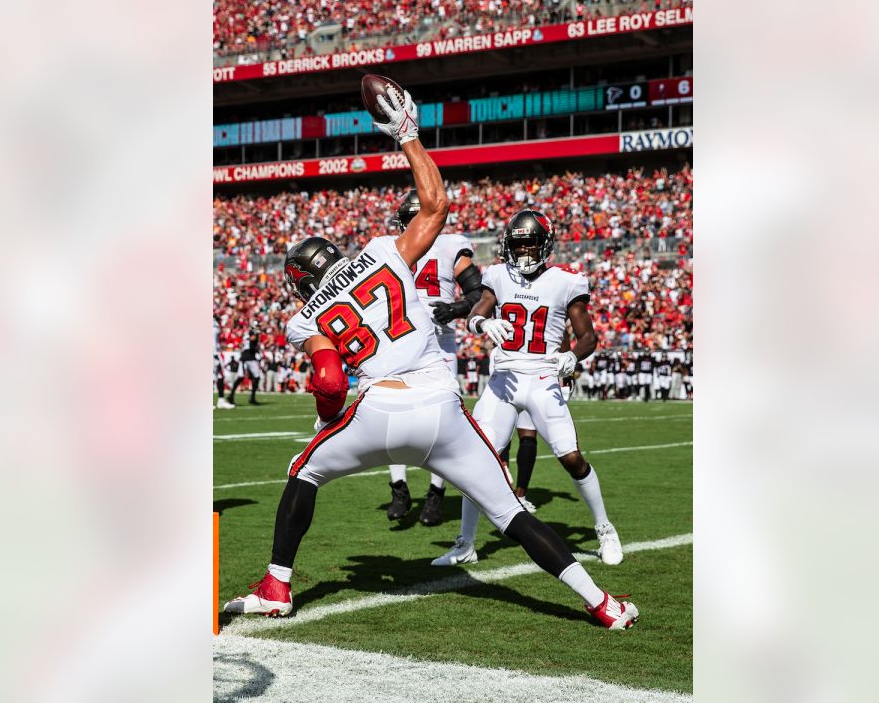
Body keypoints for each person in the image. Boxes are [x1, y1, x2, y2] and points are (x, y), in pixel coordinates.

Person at [224, 86, 638, 630]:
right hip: (442, 408)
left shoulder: (303, 319)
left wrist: (329, 425)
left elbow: (328, 381)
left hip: (378, 410)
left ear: (301, 281)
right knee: (511, 513)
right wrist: (408, 136)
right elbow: (437, 205)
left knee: (304, 473)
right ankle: (603, 605)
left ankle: (276, 586)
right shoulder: (380, 251)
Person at [434, 209, 624, 568]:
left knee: (571, 457)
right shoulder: (498, 276)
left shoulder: (566, 281)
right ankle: (466, 542)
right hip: (504, 380)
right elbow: (478, 310)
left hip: (542, 379)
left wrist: (572, 357)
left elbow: (589, 336)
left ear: (545, 246)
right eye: (517, 245)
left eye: (529, 245)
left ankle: (604, 527)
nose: (522, 253)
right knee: (477, 459)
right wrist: (480, 324)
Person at [380, 189, 484, 527]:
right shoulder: (388, 247)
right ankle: (399, 489)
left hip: (438, 342)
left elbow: (477, 293)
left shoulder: (451, 245)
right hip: (398, 339)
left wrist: (455, 309)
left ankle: (436, 494)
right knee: (390, 416)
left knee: (442, 420)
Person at [239, 323, 262, 405]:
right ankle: (252, 397)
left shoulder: (247, 333)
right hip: (249, 356)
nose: (259, 328)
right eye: (257, 326)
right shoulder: (253, 333)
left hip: (245, 355)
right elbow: (252, 338)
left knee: (242, 377)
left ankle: (231, 396)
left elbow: (241, 344)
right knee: (257, 377)